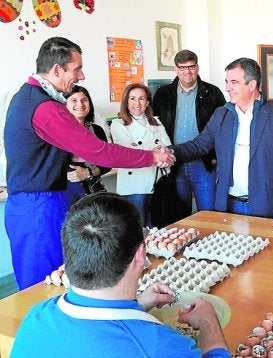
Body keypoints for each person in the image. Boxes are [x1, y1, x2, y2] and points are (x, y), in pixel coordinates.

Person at [4, 37, 175, 290]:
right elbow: (99, 153)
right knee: (43, 287)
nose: (81, 76)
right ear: (57, 70)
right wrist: (152, 156)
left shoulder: (26, 96)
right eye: (77, 69)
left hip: (38, 202)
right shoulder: (45, 108)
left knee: (59, 281)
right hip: (38, 207)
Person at [10, 193, 229, 357]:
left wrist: (138, 305)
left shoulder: (35, 317)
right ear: (141, 255)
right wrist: (209, 322)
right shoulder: (159, 346)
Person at [171, 57, 273, 220]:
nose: (227, 88)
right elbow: (199, 145)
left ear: (252, 85)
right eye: (227, 82)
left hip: (267, 207)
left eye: (234, 82)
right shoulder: (221, 114)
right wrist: (170, 151)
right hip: (228, 205)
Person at [152, 50, 226, 219]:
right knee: (179, 215)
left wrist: (217, 157)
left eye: (191, 67)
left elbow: (222, 128)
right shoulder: (163, 94)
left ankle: (211, 245)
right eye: (183, 68)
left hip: (204, 162)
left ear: (197, 67)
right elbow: (154, 125)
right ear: (176, 69)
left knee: (209, 214)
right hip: (174, 162)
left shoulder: (213, 93)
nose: (188, 72)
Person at [111, 83, 172, 228]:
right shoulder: (118, 124)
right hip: (134, 186)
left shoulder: (155, 121)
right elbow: (128, 154)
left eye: (141, 99)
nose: (137, 103)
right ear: (126, 102)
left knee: (158, 228)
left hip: (157, 182)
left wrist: (158, 151)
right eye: (132, 98)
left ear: (147, 102)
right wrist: (156, 150)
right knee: (138, 229)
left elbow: (168, 147)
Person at [64, 85, 111, 206]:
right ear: (65, 105)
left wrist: (88, 172)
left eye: (84, 100)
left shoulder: (97, 130)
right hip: (65, 194)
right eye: (74, 100)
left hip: (93, 190)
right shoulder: (57, 131)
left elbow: (107, 164)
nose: (80, 104)